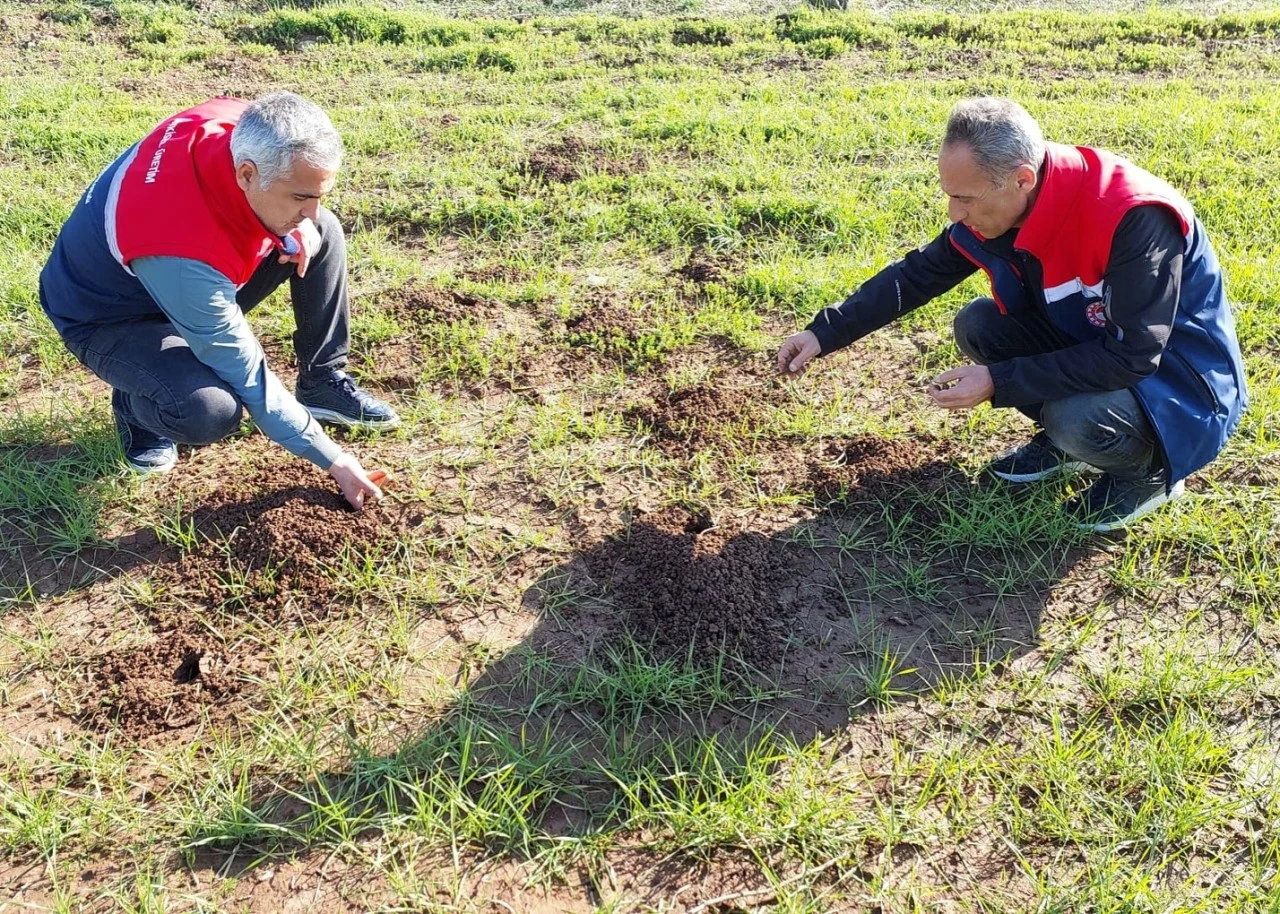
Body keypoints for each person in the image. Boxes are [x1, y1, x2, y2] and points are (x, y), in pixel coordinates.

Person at [777, 96, 1247, 532]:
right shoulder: (1006, 206)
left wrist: (998, 381)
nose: (953, 212)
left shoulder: (1131, 216)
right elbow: (920, 273)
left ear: (1023, 178)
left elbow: (1132, 357)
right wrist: (825, 332)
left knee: (1074, 418)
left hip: (1181, 387)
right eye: (949, 194)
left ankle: (1147, 473)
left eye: (965, 198)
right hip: (1092, 343)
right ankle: (1070, 450)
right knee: (979, 325)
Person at [39, 92, 398, 510]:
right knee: (209, 411)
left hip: (177, 268)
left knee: (323, 234)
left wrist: (292, 226)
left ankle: (321, 382)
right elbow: (250, 378)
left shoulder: (242, 127)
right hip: (109, 315)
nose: (312, 209)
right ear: (247, 173)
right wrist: (334, 460)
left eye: (318, 194)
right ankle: (136, 401)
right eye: (301, 198)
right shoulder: (179, 246)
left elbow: (300, 206)